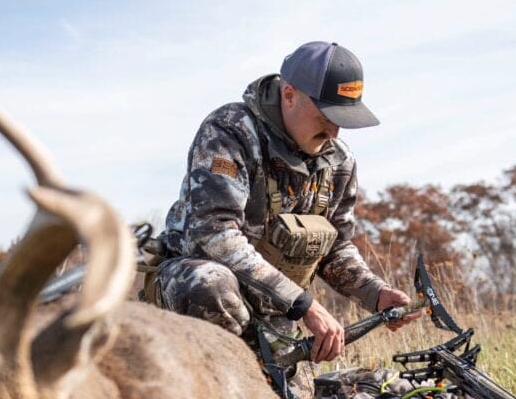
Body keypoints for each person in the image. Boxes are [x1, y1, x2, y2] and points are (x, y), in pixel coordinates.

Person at [144, 41, 419, 363]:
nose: (334, 130)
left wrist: (375, 294)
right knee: (210, 283)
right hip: (193, 291)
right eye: (326, 115)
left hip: (274, 305)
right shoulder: (231, 130)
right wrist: (304, 305)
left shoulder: (339, 162)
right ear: (289, 95)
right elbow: (213, 234)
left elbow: (335, 248)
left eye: (344, 118)